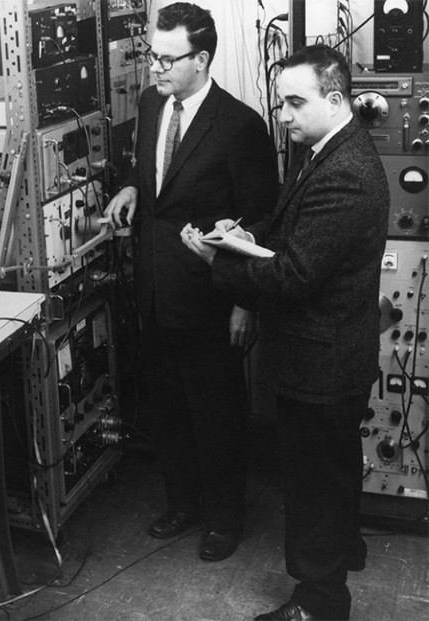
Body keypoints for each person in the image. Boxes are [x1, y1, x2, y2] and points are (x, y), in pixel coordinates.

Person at [181, 44, 389, 620]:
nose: (285, 115)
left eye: (296, 103)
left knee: (312, 485)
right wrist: (239, 231)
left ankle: (319, 605)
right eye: (281, 103)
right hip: (332, 355)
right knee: (334, 468)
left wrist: (214, 262)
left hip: (322, 362)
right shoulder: (327, 148)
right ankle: (345, 550)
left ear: (336, 98)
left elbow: (295, 274)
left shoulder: (346, 174)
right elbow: (288, 222)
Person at [105, 2, 277, 561]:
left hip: (209, 298)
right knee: (170, 407)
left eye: (166, 57)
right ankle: (183, 502)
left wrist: (245, 303)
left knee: (218, 412)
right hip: (154, 289)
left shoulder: (241, 127)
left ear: (201, 59)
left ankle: (225, 518)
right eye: (152, 53)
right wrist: (133, 188)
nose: (153, 66)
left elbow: (262, 220)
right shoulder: (155, 102)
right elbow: (153, 174)